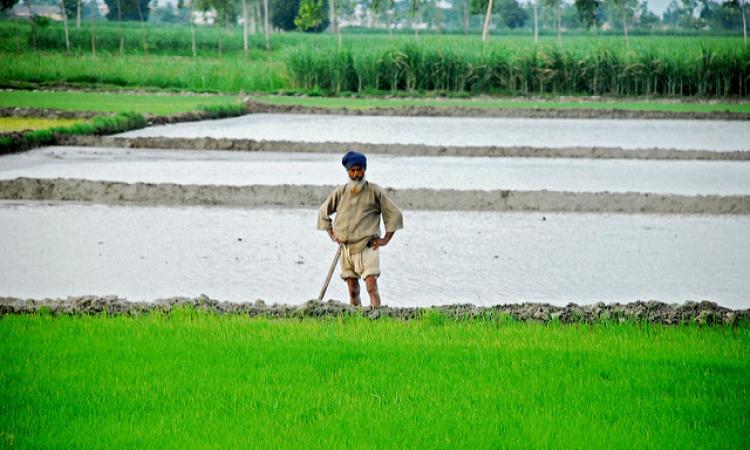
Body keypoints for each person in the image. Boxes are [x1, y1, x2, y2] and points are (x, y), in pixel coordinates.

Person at [317, 150, 404, 307]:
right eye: (352, 170)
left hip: (368, 246)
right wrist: (332, 234)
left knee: (371, 287)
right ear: (348, 172)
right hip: (346, 248)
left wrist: (385, 240)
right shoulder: (340, 192)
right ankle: (356, 319)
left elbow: (394, 214)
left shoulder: (375, 191)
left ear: (364, 170)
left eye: (359, 170)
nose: (356, 174)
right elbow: (323, 213)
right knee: (352, 290)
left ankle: (377, 315)